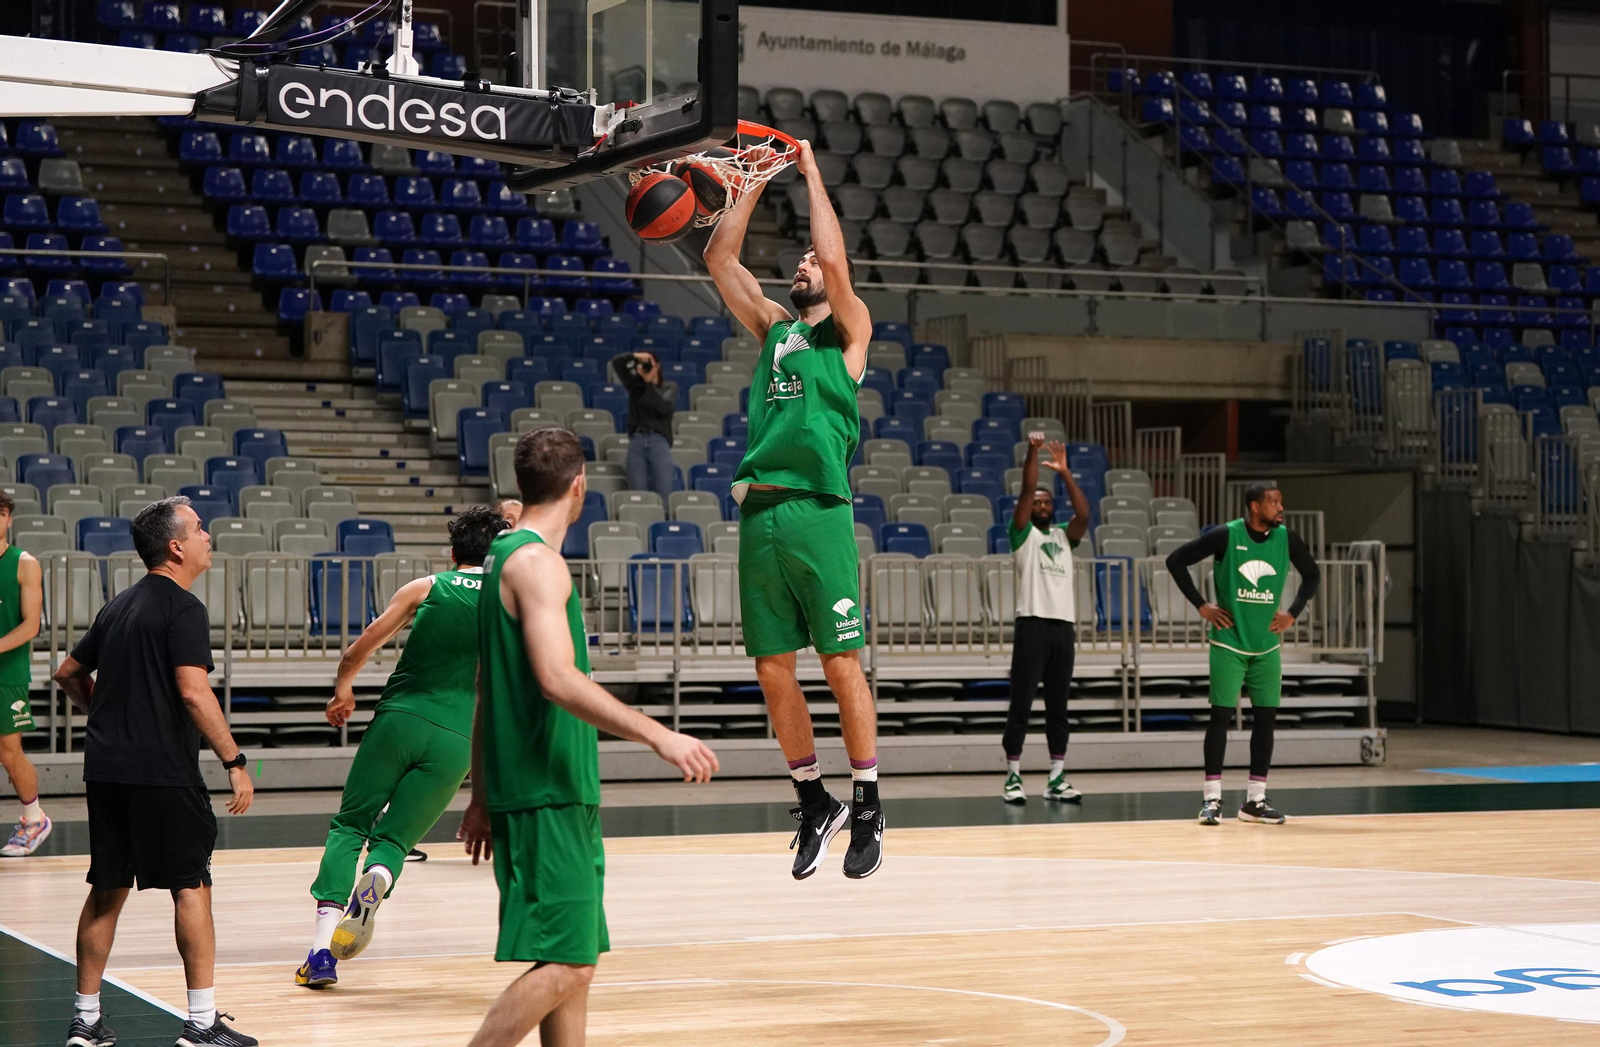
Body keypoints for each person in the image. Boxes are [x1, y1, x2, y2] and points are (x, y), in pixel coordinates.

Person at [457, 426, 718, 1047]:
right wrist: (660, 734)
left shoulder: (502, 555)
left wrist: (481, 793)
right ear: (580, 487)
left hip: (544, 787)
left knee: (575, 963)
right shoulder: (537, 564)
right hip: (548, 788)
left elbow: (488, 684)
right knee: (570, 963)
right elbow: (555, 679)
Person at [703, 139, 883, 881]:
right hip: (762, 514)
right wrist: (747, 182)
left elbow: (837, 266)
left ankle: (867, 800)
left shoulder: (849, 333)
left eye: (808, 259)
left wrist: (810, 171)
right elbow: (720, 258)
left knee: (840, 660)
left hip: (820, 511)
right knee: (773, 668)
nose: (804, 263)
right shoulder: (775, 329)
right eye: (801, 261)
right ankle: (813, 798)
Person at [53, 497, 257, 1047]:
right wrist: (235, 761)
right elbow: (194, 692)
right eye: (198, 529)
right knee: (191, 888)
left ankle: (86, 1020)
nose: (207, 535)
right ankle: (201, 1023)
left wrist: (106, 712)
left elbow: (67, 672)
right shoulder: (183, 608)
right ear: (175, 546)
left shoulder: (119, 605)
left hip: (107, 769)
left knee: (106, 889)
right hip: (163, 771)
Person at [294, 505, 507, 990]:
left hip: (403, 718)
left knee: (350, 824)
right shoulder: (510, 604)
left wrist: (343, 688)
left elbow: (359, 648)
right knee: (393, 840)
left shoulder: (428, 587)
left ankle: (320, 953)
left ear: (453, 553)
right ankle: (379, 883)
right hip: (461, 738)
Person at [1164, 483, 1321, 826]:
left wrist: (1292, 613)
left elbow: (1312, 575)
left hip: (1266, 646)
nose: (1281, 507)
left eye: (1281, 500)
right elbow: (1175, 560)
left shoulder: (1287, 539)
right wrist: (1202, 606)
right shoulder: (1226, 535)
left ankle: (1255, 801)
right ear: (1254, 506)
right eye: (1274, 502)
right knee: (1220, 717)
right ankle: (1212, 799)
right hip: (1229, 643)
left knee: (1265, 719)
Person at [1001, 435, 1090, 805]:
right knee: (1021, 703)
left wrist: (1066, 473)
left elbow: (1084, 515)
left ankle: (1056, 777)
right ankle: (1013, 775)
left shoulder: (1064, 537)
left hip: (1062, 628)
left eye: (1045, 500)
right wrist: (1034, 453)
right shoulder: (1023, 537)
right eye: (1036, 501)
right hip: (1032, 625)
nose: (1040, 504)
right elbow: (1024, 490)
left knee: (1059, 705)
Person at [0, 492, 49, 857]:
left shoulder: (24, 563)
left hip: (7, 671)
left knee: (8, 751)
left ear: (9, 520)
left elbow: (31, 626)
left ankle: (34, 819)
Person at [610, 350, 678, 504]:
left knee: (664, 494)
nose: (646, 365)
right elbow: (616, 362)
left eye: (649, 362)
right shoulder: (636, 387)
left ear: (657, 366)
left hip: (659, 442)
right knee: (637, 495)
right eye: (643, 363)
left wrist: (649, 383)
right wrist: (634, 356)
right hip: (637, 441)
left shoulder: (669, 387)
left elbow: (664, 406)